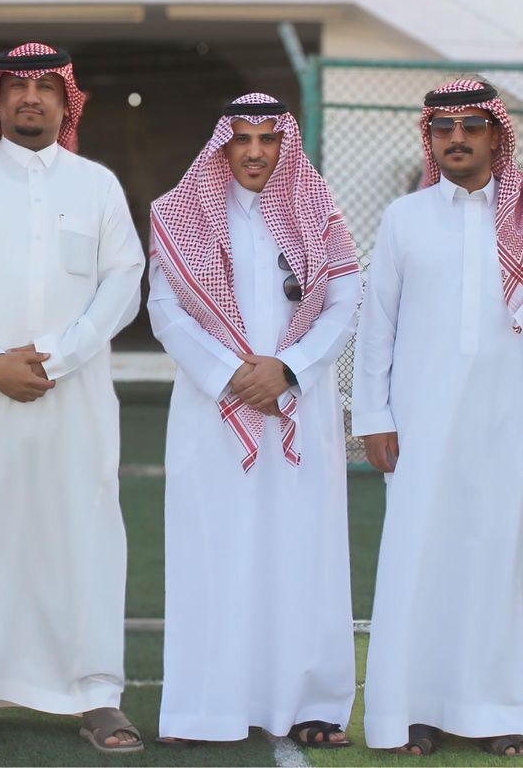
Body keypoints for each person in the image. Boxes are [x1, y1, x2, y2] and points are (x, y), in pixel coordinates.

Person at [0, 42, 145, 755]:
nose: (31, 97)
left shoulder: (96, 184)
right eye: (17, 86)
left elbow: (124, 280)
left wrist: (59, 357)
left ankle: (96, 694)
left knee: (84, 533)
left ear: (66, 100)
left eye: (47, 86)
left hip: (75, 397)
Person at [353, 79, 523, 758]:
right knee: (418, 562)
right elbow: (377, 325)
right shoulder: (405, 218)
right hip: (419, 424)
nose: (456, 138)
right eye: (443, 127)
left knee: (497, 563)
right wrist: (373, 414)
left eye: (471, 126)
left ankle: (495, 713)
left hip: (510, 424)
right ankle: (413, 712)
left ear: (495, 134)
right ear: (430, 137)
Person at [147, 93, 362, 748]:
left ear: (284, 145)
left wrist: (289, 369)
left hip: (300, 407)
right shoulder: (179, 214)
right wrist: (232, 375)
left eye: (268, 139)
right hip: (214, 409)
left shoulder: (319, 214)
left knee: (305, 554)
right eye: (242, 138)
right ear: (223, 146)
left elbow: (345, 302)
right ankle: (204, 709)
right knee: (212, 553)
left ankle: (312, 705)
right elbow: (164, 309)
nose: (255, 151)